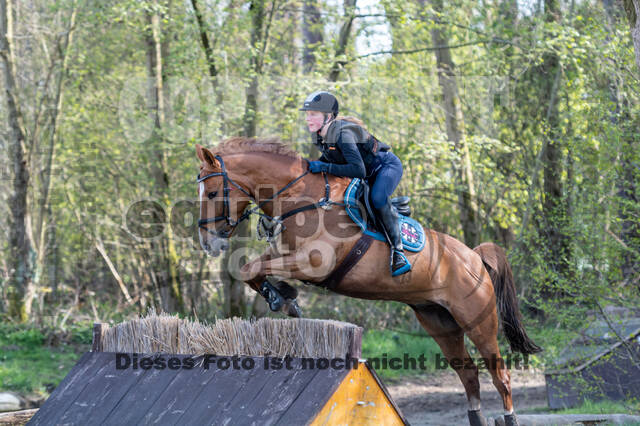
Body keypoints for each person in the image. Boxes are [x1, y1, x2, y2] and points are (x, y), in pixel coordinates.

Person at [299, 90, 411, 277]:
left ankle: (398, 252)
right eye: (307, 114)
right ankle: (392, 210)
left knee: (376, 199)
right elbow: (329, 160)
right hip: (366, 173)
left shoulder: (343, 133)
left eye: (313, 114)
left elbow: (358, 170)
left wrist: (324, 166)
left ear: (328, 116)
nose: (307, 119)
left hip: (385, 167)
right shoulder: (318, 135)